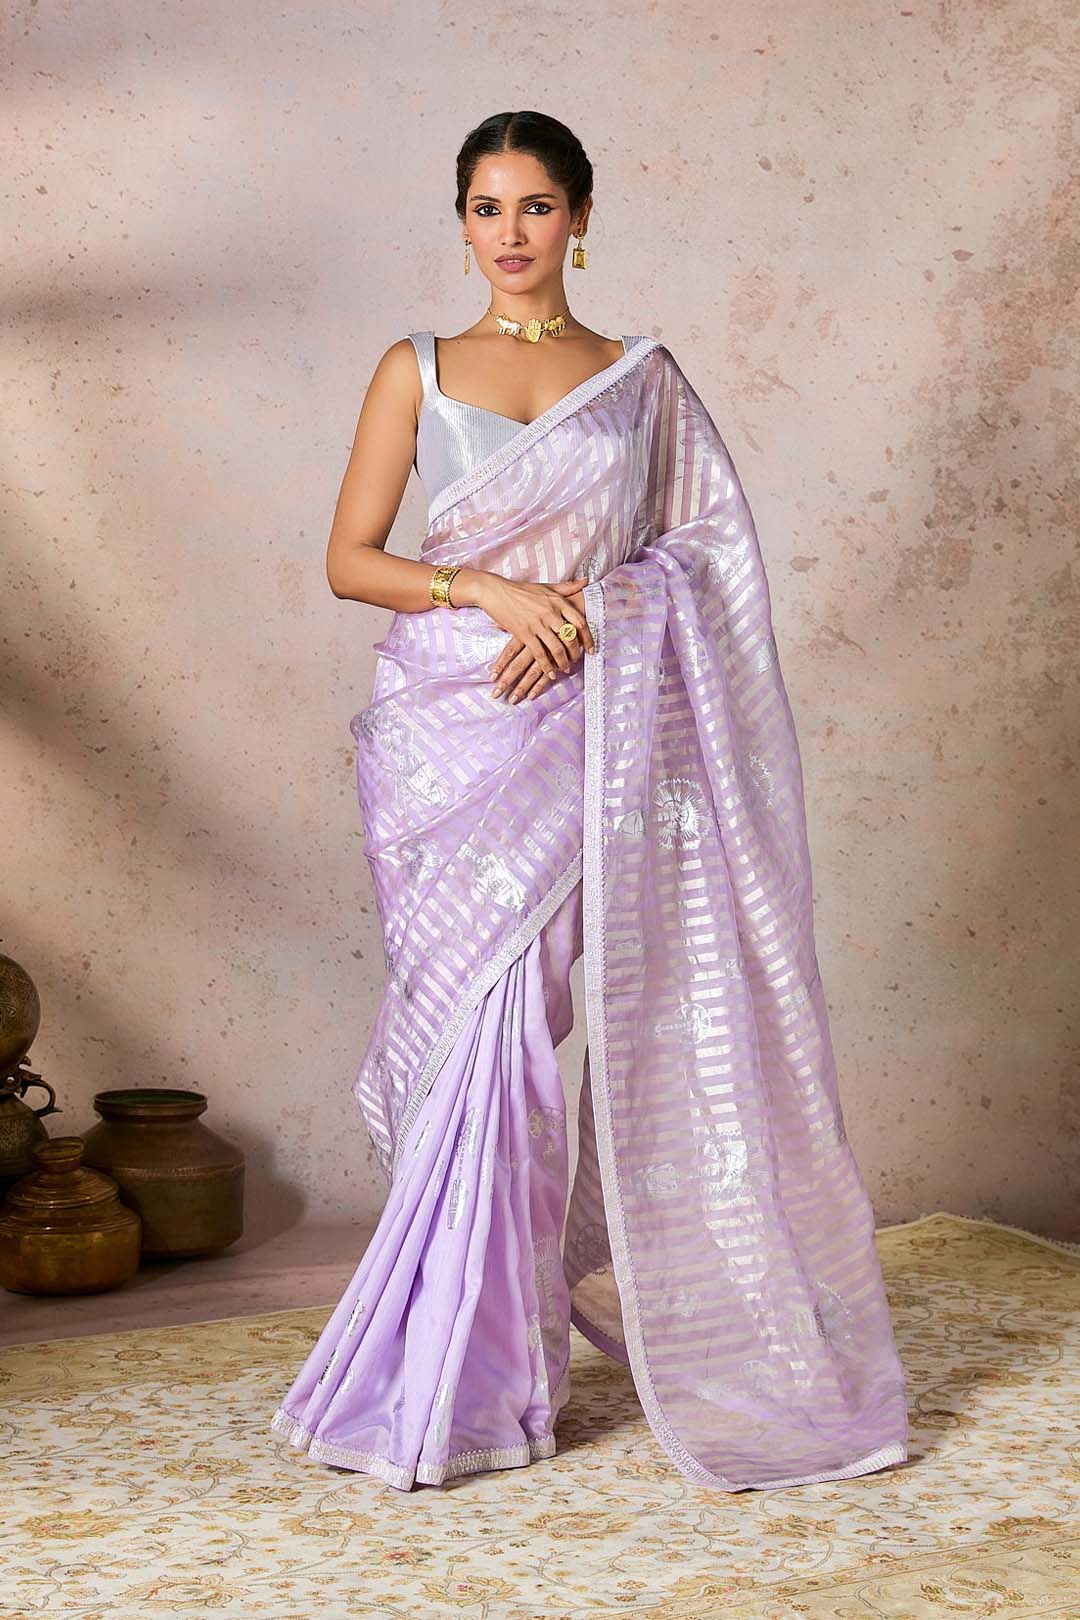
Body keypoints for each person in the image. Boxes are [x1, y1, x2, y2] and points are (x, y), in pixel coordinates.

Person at [270, 110, 910, 1494]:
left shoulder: (638, 382)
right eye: (486, 208)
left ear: (580, 216)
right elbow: (349, 559)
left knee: (523, 1038)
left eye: (537, 206)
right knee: (477, 1047)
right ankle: (458, 1380)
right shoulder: (417, 367)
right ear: (460, 220)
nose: (510, 234)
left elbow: (708, 556)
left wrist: (604, 611)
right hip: (451, 738)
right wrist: (492, 592)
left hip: (597, 734)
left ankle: (484, 1374)